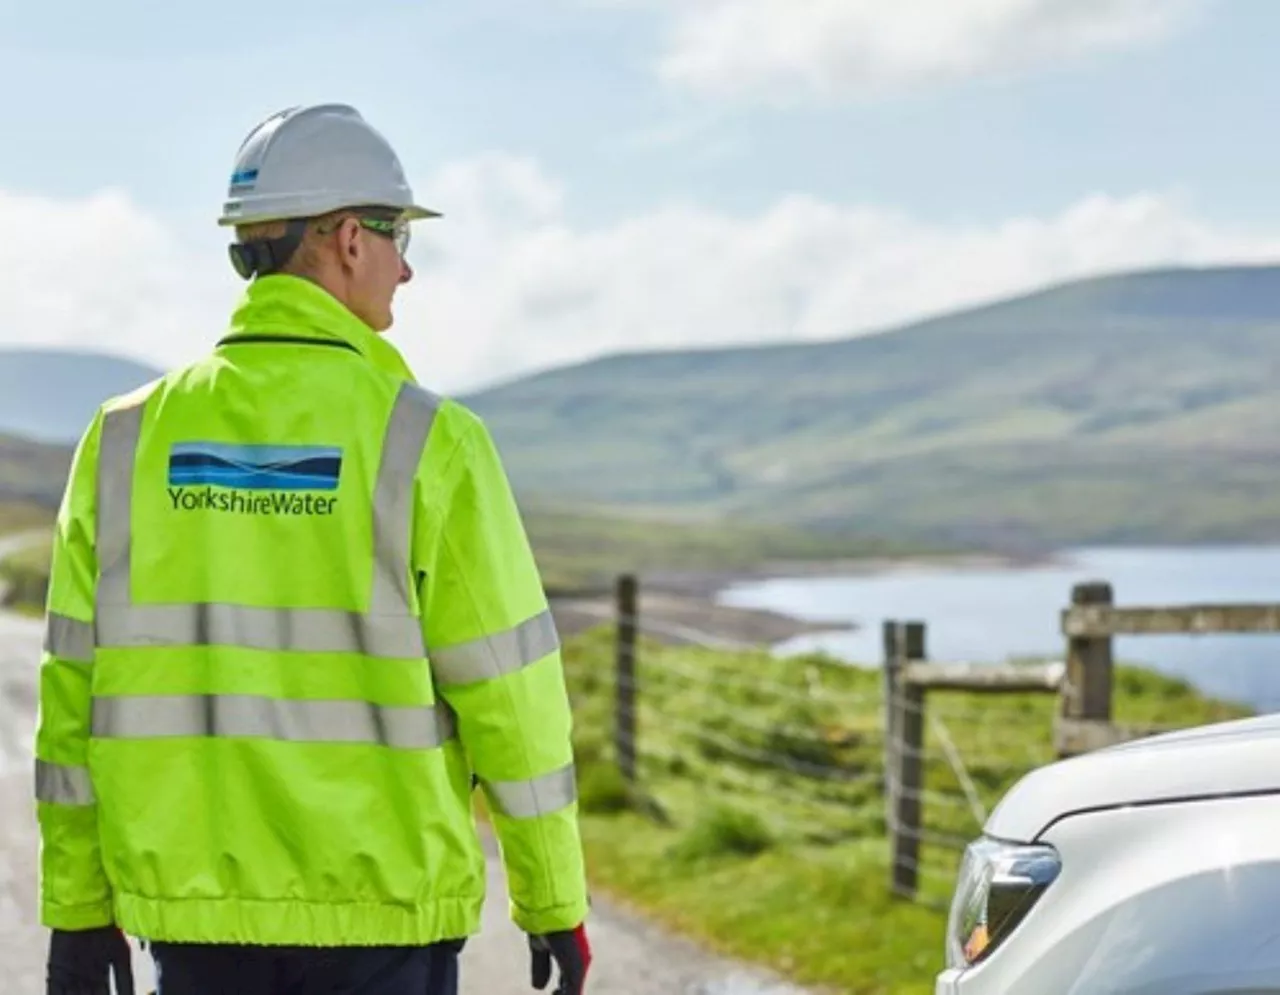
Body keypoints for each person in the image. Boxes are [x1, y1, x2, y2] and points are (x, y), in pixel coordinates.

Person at [34, 103, 591, 995]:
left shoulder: (125, 440)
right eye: (397, 232)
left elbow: (72, 705)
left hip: (194, 928)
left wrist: (76, 907)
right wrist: (552, 895)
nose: (408, 266)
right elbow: (512, 700)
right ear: (343, 238)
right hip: (385, 927)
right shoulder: (431, 442)